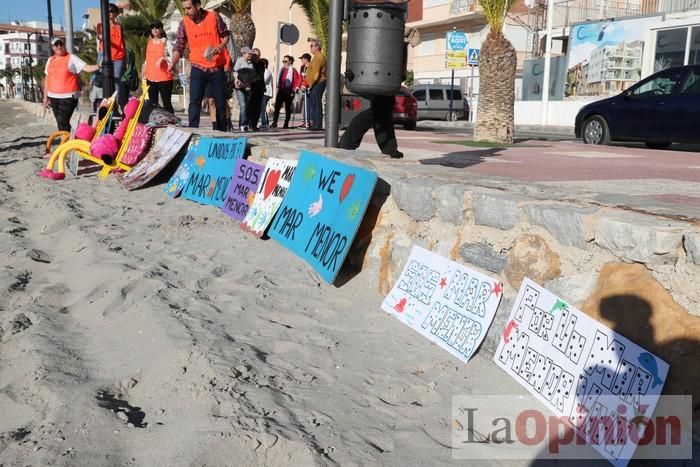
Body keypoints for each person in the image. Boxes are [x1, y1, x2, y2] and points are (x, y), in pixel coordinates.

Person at [339, 1, 417, 159]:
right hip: (377, 62)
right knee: (378, 111)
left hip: (384, 62)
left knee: (383, 111)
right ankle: (348, 143)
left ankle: (389, 149)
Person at [169, 0, 230, 131]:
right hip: (198, 67)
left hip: (216, 67)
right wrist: (172, 63)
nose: (186, 12)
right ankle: (192, 131)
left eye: (189, 8)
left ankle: (223, 132)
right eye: (184, 9)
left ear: (197, 6)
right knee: (194, 102)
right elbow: (179, 45)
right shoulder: (184, 22)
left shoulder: (214, 17)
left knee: (220, 103)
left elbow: (225, 36)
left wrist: (220, 46)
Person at [43, 37, 100, 132]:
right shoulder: (50, 60)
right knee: (60, 122)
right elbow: (47, 78)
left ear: (64, 45)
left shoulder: (71, 57)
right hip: (53, 96)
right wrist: (45, 97)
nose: (59, 46)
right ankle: (67, 140)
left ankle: (67, 142)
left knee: (62, 121)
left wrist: (99, 66)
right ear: (53, 47)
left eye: (61, 44)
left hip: (70, 96)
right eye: (56, 45)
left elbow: (86, 67)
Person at [97, 3, 127, 110]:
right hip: (105, 55)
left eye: (113, 11)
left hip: (118, 57)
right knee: (102, 80)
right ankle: (103, 105)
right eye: (108, 11)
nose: (110, 13)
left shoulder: (119, 26)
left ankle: (116, 105)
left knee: (117, 82)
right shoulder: (101, 25)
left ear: (116, 13)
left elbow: (122, 42)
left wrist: (126, 59)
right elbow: (99, 36)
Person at [143, 21, 174, 114]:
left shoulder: (166, 42)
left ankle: (171, 121)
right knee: (152, 103)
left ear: (161, 29)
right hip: (151, 77)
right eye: (153, 28)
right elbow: (147, 59)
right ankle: (155, 121)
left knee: (166, 102)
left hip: (164, 77)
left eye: (157, 27)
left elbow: (173, 58)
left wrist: (163, 58)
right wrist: (144, 70)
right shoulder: (149, 42)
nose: (155, 30)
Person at [301, 38, 326, 131]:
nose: (310, 48)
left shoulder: (318, 58)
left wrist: (307, 84)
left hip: (318, 83)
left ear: (317, 47)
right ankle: (316, 124)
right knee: (315, 103)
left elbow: (315, 74)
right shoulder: (317, 57)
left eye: (312, 46)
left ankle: (317, 125)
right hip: (318, 82)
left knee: (315, 104)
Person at [271, 55, 301, 129]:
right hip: (281, 91)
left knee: (287, 108)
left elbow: (297, 81)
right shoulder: (282, 70)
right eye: (283, 61)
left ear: (290, 61)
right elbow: (279, 80)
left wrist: (294, 90)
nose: (284, 63)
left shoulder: (293, 71)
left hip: (289, 92)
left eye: (286, 61)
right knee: (277, 107)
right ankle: (274, 122)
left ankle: (286, 123)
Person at [233, 46, 253, 131]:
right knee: (243, 105)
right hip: (240, 86)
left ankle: (243, 123)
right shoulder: (240, 60)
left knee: (246, 106)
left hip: (247, 87)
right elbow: (234, 71)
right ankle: (243, 124)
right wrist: (237, 79)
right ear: (244, 53)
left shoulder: (250, 63)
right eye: (249, 53)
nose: (250, 55)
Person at [245, 48, 266, 131]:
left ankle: (254, 125)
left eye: (257, 55)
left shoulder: (261, 64)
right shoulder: (249, 63)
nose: (256, 56)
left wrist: (264, 86)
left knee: (257, 107)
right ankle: (248, 123)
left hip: (260, 87)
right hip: (251, 87)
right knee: (250, 106)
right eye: (254, 55)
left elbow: (262, 76)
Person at [297, 53, 311, 129]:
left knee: (310, 104)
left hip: (309, 87)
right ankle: (305, 120)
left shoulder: (311, 66)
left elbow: (309, 77)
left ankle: (309, 121)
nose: (301, 60)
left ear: (306, 59)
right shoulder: (302, 67)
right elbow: (300, 77)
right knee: (304, 104)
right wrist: (297, 86)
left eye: (302, 59)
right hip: (303, 87)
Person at [260, 58, 273, 129]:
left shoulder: (267, 72)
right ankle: (265, 122)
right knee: (262, 108)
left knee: (262, 108)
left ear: (265, 65)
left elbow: (264, 81)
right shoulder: (262, 71)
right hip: (262, 92)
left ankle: (264, 123)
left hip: (266, 93)